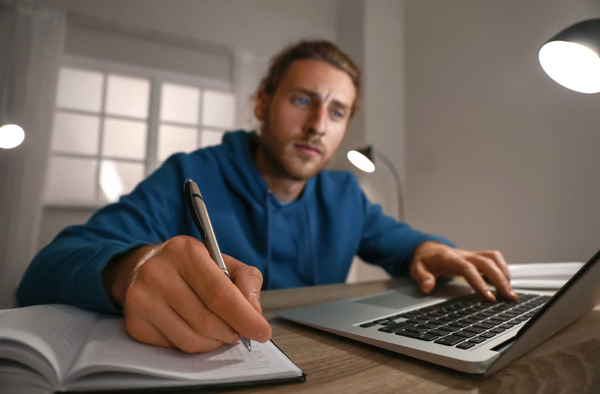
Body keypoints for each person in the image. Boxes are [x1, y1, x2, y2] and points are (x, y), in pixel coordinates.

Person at [17, 40, 516, 354]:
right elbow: (48, 267)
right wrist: (133, 269)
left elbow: (402, 242)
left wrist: (429, 249)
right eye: (303, 100)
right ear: (262, 102)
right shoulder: (190, 173)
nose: (318, 125)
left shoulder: (345, 194)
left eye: (337, 112)